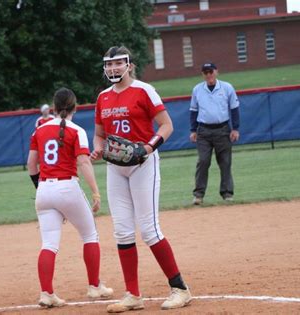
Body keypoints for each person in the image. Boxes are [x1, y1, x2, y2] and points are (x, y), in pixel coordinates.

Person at [91, 46, 192, 313]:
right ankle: (133, 295)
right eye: (109, 64)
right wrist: (98, 148)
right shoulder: (102, 97)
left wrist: (147, 149)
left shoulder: (144, 90)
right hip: (116, 167)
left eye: (118, 63)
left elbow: (167, 125)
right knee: (122, 230)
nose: (113, 68)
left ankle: (180, 289)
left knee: (149, 229)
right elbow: (99, 134)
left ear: (129, 65)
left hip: (143, 164)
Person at [27, 88, 113, 308]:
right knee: (89, 234)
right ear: (75, 107)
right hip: (67, 187)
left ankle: (47, 293)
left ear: (54, 108)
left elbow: (31, 164)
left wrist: (41, 187)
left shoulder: (40, 130)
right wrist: (95, 191)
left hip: (44, 189)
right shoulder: (77, 130)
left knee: (48, 244)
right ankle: (94, 287)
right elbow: (83, 163)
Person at [189, 63, 240, 205]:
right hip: (203, 131)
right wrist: (193, 130)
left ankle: (227, 193)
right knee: (203, 161)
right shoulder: (197, 89)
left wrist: (235, 129)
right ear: (202, 75)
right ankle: (198, 194)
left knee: (225, 162)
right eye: (205, 72)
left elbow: (234, 108)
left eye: (210, 71)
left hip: (223, 129)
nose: (208, 75)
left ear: (216, 71)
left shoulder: (227, 87)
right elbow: (193, 111)